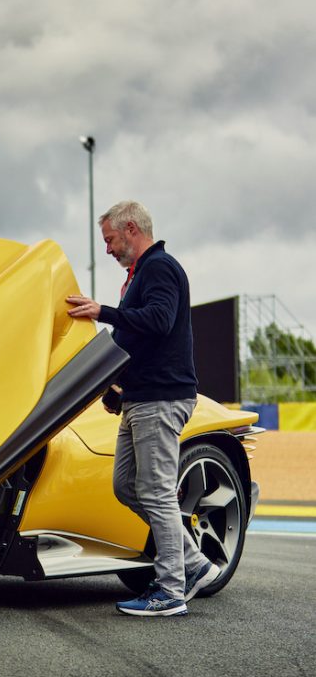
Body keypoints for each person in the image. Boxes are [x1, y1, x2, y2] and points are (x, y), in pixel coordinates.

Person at [66, 200, 219, 617]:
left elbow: (159, 320)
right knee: (126, 487)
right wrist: (117, 390)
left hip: (161, 399)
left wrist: (103, 312)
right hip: (141, 397)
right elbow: (140, 341)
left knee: (154, 491)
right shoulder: (139, 275)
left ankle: (170, 590)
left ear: (131, 229)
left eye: (111, 240)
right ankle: (194, 565)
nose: (109, 250)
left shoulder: (159, 267)